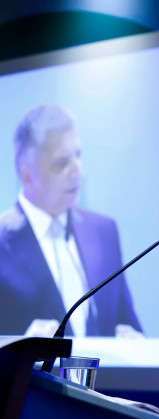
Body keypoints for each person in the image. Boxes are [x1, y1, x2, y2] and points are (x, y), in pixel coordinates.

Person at [0, 104, 143, 338]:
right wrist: (18, 346)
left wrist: (134, 341)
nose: (78, 172)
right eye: (62, 163)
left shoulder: (103, 231)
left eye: (78, 155)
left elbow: (126, 321)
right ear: (27, 175)